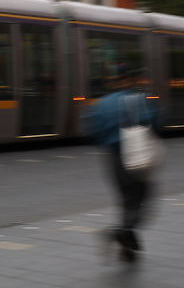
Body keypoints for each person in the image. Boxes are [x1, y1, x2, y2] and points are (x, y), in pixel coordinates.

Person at [81, 62, 162, 262]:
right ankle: (119, 232)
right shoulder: (139, 100)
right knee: (142, 203)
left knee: (127, 202)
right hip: (137, 159)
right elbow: (157, 123)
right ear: (129, 79)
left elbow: (91, 132)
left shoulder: (101, 104)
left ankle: (128, 248)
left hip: (113, 161)